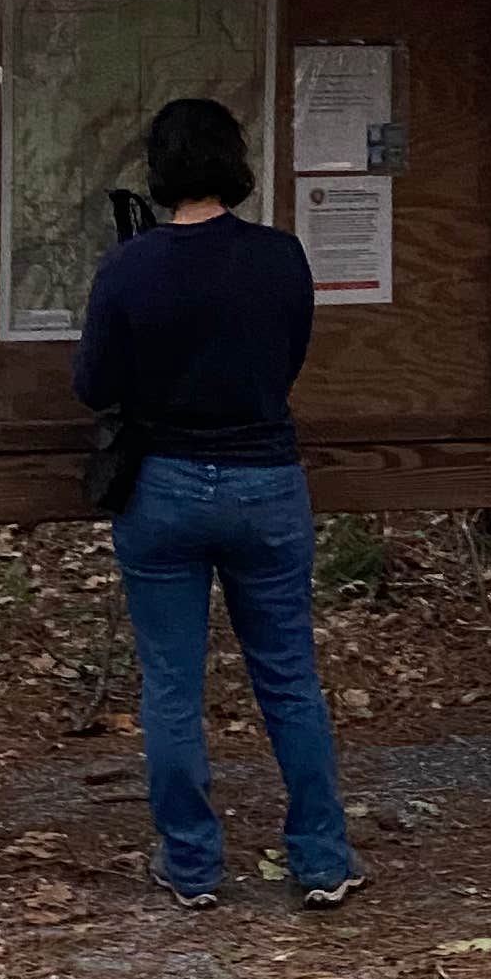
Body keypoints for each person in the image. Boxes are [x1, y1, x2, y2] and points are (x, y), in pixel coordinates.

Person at [72, 96, 363, 914]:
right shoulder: (280, 257)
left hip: (162, 485)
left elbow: (93, 383)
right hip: (266, 482)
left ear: (159, 170)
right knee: (289, 677)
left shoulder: (129, 268)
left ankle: (191, 864)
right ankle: (322, 858)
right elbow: (288, 359)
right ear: (235, 162)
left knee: (172, 686)